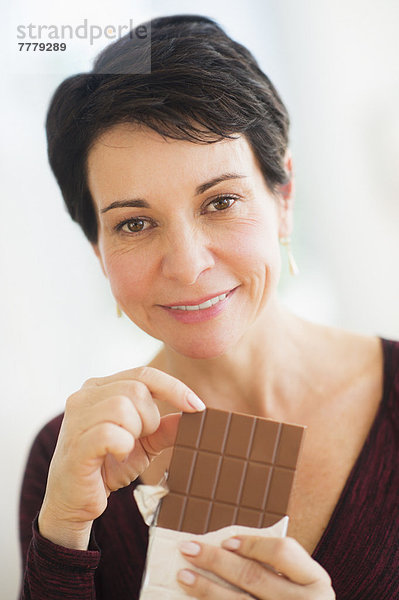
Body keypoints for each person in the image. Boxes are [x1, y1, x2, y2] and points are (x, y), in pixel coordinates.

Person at [19, 13, 399, 600]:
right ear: (98, 248)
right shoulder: (67, 460)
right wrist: (63, 536)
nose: (188, 264)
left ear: (284, 199)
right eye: (135, 222)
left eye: (220, 201)